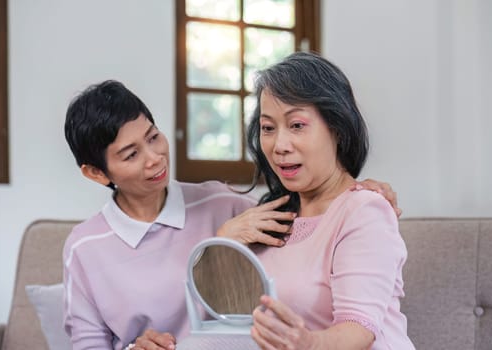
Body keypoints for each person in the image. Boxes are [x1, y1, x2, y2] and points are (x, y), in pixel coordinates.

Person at [63, 80, 401, 350]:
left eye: (153, 137)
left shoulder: (224, 203)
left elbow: (306, 217)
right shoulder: (85, 247)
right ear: (96, 173)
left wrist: (356, 191)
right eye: (131, 153)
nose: (154, 158)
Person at [239, 51, 416, 349]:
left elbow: (358, 329)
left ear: (336, 127)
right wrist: (224, 237)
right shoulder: (273, 214)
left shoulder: (365, 211)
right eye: (268, 128)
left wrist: (307, 343)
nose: (279, 146)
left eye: (296, 125)